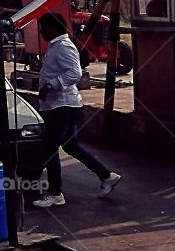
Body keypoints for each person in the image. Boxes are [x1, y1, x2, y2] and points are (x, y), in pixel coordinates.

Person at [32, 12, 121, 209]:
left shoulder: (63, 47)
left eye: (43, 28)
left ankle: (55, 193)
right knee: (71, 146)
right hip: (61, 106)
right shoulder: (56, 46)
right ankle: (106, 176)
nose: (41, 32)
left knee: (49, 150)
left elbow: (75, 72)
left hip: (62, 106)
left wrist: (51, 85)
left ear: (53, 28)